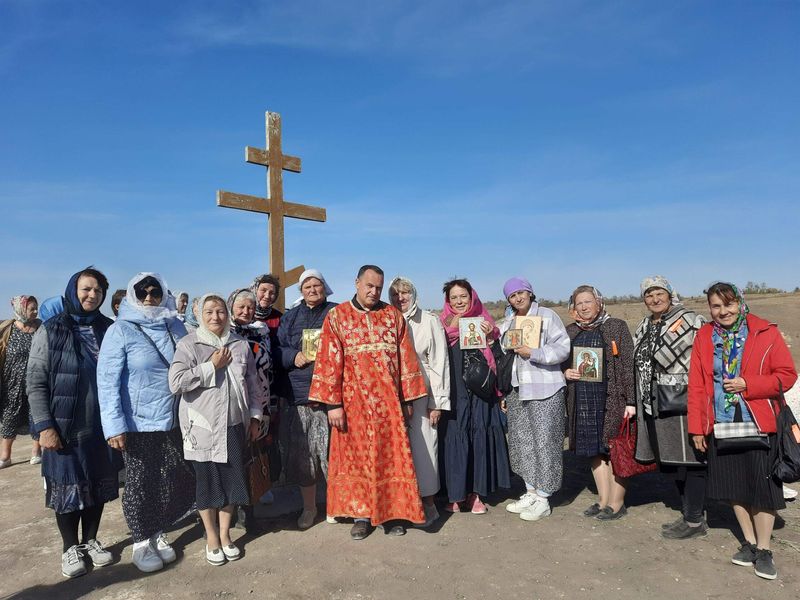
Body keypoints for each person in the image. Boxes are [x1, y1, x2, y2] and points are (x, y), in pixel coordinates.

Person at [308, 265, 427, 540]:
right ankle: (361, 516)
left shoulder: (393, 316)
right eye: (368, 286)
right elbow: (328, 360)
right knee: (356, 462)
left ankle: (391, 514)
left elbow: (406, 358)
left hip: (389, 406)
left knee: (390, 460)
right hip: (353, 406)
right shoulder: (337, 317)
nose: (373, 292)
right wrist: (333, 404)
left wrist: (407, 399)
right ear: (357, 283)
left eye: (377, 287)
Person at [688, 282, 797, 580]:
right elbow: (697, 384)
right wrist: (698, 427)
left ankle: (764, 550)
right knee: (734, 486)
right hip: (721, 422)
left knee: (762, 486)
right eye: (716, 306)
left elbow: (787, 376)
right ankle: (748, 543)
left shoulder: (765, 332)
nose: (723, 311)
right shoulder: (704, 336)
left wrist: (750, 384)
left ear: (740, 302)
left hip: (760, 420)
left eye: (728, 304)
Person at [27, 267, 122, 578]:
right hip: (65, 425)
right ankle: (70, 547)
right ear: (73, 290)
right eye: (86, 289)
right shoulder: (52, 329)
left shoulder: (109, 328)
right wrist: (44, 425)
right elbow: (36, 381)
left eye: (97, 291)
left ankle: (91, 540)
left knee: (96, 485)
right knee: (67, 491)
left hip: (101, 425)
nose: (92, 295)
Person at [97, 273, 195, 573]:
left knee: (169, 477)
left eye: (155, 292)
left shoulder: (175, 326)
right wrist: (113, 426)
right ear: (132, 296)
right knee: (141, 482)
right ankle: (141, 540)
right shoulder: (120, 330)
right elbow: (107, 380)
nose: (149, 298)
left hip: (174, 418)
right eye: (142, 293)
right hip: (138, 421)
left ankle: (157, 530)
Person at [169, 294, 265, 566]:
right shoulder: (189, 344)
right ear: (200, 314)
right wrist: (211, 366)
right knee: (208, 483)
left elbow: (253, 385)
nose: (215, 317)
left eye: (220, 311)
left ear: (228, 313)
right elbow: (176, 382)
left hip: (234, 424)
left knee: (233, 481)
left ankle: (225, 535)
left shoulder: (240, 344)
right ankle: (211, 536)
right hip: (202, 427)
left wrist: (256, 417)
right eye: (209, 311)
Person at [632, 276, 708, 539]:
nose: (654, 299)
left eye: (658, 293)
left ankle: (695, 519)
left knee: (691, 460)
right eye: (648, 295)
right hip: (653, 403)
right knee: (673, 461)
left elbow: (669, 355)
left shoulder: (688, 319)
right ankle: (690, 515)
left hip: (680, 398)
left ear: (669, 294)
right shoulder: (645, 324)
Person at [498, 277, 569, 522]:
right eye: (512, 296)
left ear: (530, 292)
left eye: (521, 293)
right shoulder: (509, 320)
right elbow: (503, 349)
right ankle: (530, 491)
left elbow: (563, 348)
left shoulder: (548, 316)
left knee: (546, 443)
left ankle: (544, 497)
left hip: (545, 389)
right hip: (518, 391)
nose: (517, 298)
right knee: (523, 442)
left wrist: (535, 353)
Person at [439, 279, 510, 515]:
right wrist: (454, 326)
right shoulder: (442, 322)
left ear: (472, 298)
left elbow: (497, 353)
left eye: (463, 297)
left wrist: (490, 335)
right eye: (454, 298)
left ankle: (476, 495)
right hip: (455, 388)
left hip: (481, 389)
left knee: (479, 436)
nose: (459, 302)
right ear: (448, 301)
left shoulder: (484, 319)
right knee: (455, 437)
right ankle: (455, 495)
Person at [564, 285, 635, 520]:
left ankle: (617, 502)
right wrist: (566, 372)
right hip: (583, 399)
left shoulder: (616, 326)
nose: (584, 307)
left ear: (599, 302)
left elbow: (627, 365)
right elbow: (561, 362)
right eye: (579, 303)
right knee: (595, 451)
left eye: (588, 301)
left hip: (612, 397)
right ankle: (603, 500)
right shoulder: (571, 332)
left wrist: (631, 401)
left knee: (614, 449)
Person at [274, 270, 337, 530]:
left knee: (334, 455)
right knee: (304, 457)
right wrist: (292, 356)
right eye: (307, 286)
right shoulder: (290, 317)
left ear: (325, 287)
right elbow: (277, 349)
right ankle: (310, 508)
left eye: (317, 285)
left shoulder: (337, 312)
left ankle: (335, 506)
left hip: (331, 396)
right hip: (300, 395)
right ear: (301, 291)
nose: (312, 289)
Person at [389, 276, 450, 528]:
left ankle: (428, 504)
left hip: (422, 392)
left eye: (405, 293)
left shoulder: (429, 321)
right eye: (395, 294)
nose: (400, 298)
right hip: (391, 394)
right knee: (396, 452)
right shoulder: (385, 321)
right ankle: (400, 505)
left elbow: (439, 362)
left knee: (424, 450)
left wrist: (437, 401)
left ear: (413, 295)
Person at [227, 287, 272, 532]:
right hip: (233, 403)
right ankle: (230, 509)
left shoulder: (262, 331)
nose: (246, 311)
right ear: (231, 307)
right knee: (233, 457)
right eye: (241, 307)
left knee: (252, 454)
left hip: (260, 400)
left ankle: (249, 510)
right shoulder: (225, 332)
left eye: (250, 307)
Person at [0, 296, 42, 467]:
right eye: (31, 308)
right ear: (21, 309)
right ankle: (5, 456)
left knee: (36, 415)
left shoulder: (40, 328)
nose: (35, 311)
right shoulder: (7, 328)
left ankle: (36, 452)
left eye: (36, 308)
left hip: (35, 382)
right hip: (11, 383)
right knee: (9, 417)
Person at [252, 274, 283, 349]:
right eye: (263, 290)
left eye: (272, 293)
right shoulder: (244, 314)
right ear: (255, 290)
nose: (267, 296)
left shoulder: (280, 318)